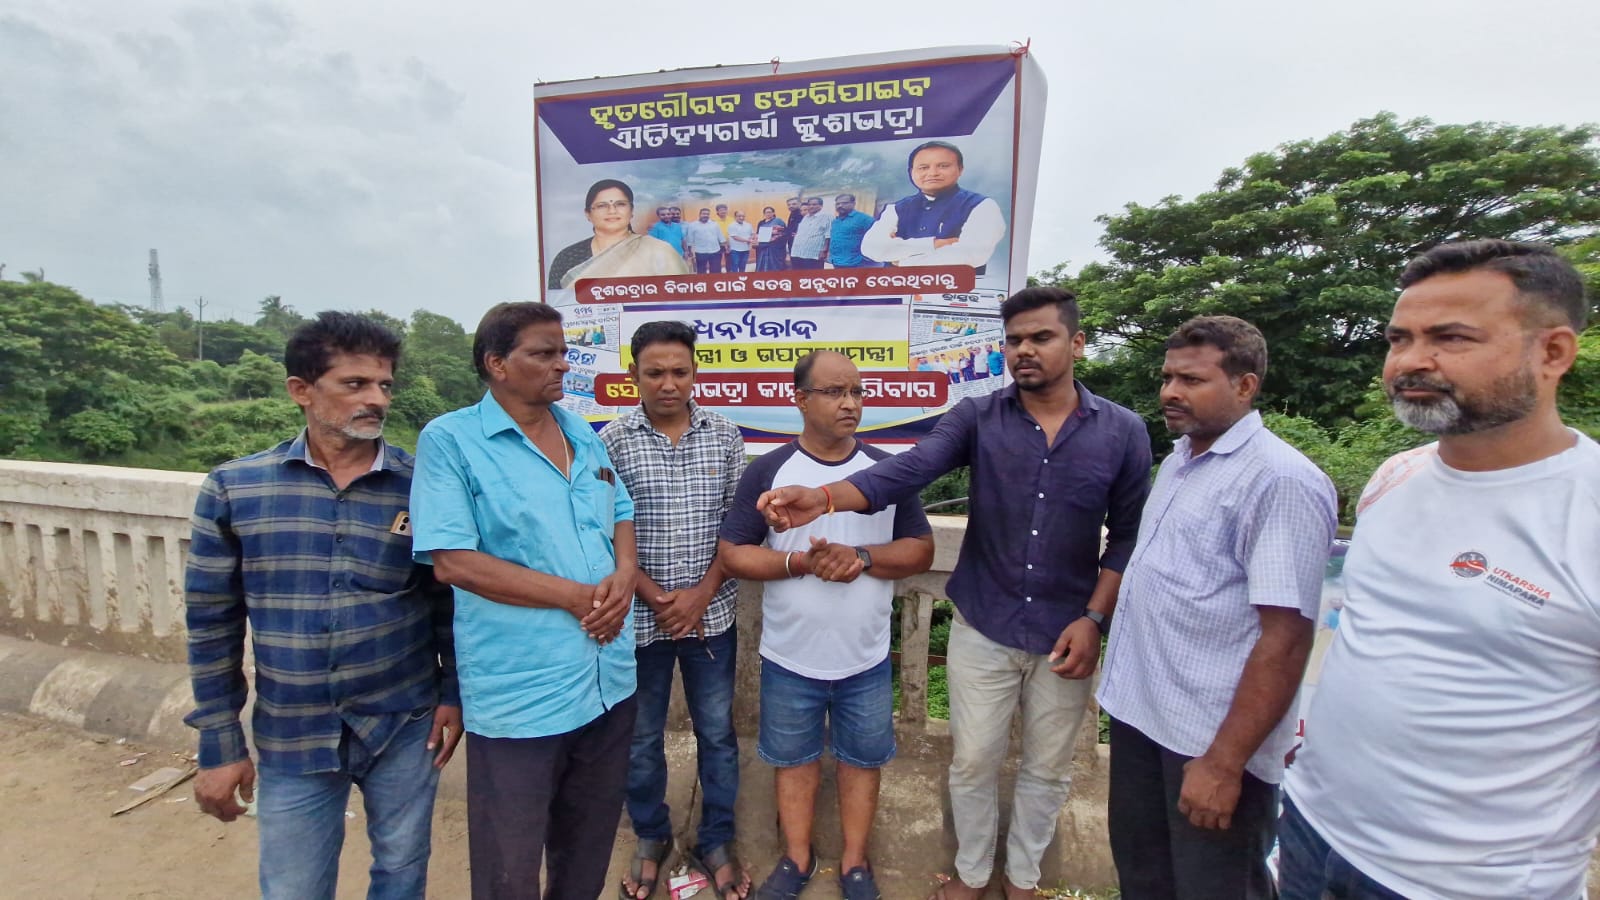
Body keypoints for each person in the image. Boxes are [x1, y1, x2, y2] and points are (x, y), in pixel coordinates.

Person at [758, 287, 1153, 899]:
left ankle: (1022, 881)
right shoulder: (978, 416)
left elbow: (1128, 537)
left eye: (1041, 337)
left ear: (1076, 343)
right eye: (1014, 340)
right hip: (983, 621)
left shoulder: (1123, 431)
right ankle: (970, 876)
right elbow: (910, 469)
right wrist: (825, 498)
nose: (1024, 350)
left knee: (1048, 769)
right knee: (971, 763)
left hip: (1068, 631)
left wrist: (1095, 619)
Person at [1278, 240, 1599, 900]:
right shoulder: (1396, 477)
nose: (1411, 361)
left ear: (1553, 352)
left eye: (1451, 337)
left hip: (1464, 884)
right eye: (1400, 339)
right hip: (1311, 834)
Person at [184, 311, 461, 900]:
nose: (376, 398)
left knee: (402, 871)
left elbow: (449, 603)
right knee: (294, 885)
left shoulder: (422, 486)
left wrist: (454, 696)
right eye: (355, 383)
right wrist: (220, 744)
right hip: (294, 730)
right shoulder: (237, 489)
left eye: (384, 385)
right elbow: (211, 626)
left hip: (404, 724)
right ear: (301, 390)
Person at [1096, 316, 1337, 899]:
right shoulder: (1179, 459)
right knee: (1145, 881)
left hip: (1210, 740)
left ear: (1245, 385)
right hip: (1142, 716)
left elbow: (1285, 638)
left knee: (1215, 886)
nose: (1171, 392)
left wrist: (1225, 765)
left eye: (1192, 380)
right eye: (1168, 378)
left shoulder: (1281, 481)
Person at [409, 301, 638, 900]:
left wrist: (626, 574)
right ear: (497, 364)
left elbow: (619, 509)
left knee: (586, 845)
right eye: (544, 353)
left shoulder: (580, 432)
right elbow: (453, 561)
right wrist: (577, 598)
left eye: (563, 352)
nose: (562, 364)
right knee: (509, 864)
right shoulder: (452, 440)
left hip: (607, 678)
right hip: (523, 691)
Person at [720, 350, 935, 900]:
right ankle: (797, 857)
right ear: (800, 399)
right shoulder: (769, 471)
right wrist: (800, 562)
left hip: (866, 656)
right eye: (835, 391)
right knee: (793, 762)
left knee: (862, 763)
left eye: (857, 392)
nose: (850, 403)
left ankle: (855, 862)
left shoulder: (886, 472)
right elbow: (734, 553)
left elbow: (920, 549)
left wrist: (861, 557)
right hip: (790, 655)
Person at [599, 321, 751, 900]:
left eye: (680, 372)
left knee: (717, 734)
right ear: (633, 375)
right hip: (640, 620)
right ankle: (651, 833)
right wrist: (652, 594)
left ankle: (716, 838)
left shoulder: (725, 436)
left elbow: (739, 526)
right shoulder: (612, 441)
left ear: (695, 373)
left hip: (712, 616)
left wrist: (701, 592)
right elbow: (604, 527)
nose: (669, 384)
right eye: (655, 372)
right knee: (640, 738)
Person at [861, 141, 1006, 274]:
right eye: (923, 167)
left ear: (960, 169)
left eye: (943, 166)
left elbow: (970, 255)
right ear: (911, 172)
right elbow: (872, 248)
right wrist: (934, 244)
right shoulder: (896, 209)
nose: (933, 173)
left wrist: (904, 261)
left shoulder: (982, 206)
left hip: (956, 291)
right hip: (898, 290)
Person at [549, 180, 690, 289]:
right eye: (602, 206)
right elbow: (556, 307)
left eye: (620, 204)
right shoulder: (568, 257)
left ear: (631, 210)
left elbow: (680, 300)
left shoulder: (660, 251)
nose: (612, 211)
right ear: (588, 214)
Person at [827, 194, 878, 268]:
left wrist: (865, 258)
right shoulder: (836, 221)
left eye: (844, 203)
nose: (840, 205)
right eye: (837, 204)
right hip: (836, 261)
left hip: (856, 263)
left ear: (853, 204)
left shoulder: (864, 219)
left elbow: (876, 237)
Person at [788, 197, 831, 270]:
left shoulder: (827, 216)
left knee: (812, 275)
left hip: (813, 255)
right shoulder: (806, 217)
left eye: (814, 204)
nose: (811, 206)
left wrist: (824, 251)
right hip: (797, 253)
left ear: (821, 206)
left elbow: (828, 234)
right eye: (809, 204)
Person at [686, 207, 728, 274]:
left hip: (715, 251)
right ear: (699, 214)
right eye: (704, 214)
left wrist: (726, 246)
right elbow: (690, 239)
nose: (705, 215)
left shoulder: (714, 224)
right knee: (701, 271)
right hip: (700, 252)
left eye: (707, 214)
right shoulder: (692, 225)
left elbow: (720, 236)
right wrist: (689, 250)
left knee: (716, 271)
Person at [755, 206, 788, 272]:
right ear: (764, 214)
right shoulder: (761, 223)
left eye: (770, 212)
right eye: (766, 212)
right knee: (762, 263)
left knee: (774, 264)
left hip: (774, 247)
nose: (768, 214)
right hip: (763, 246)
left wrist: (774, 236)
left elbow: (784, 232)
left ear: (773, 213)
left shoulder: (778, 221)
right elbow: (758, 233)